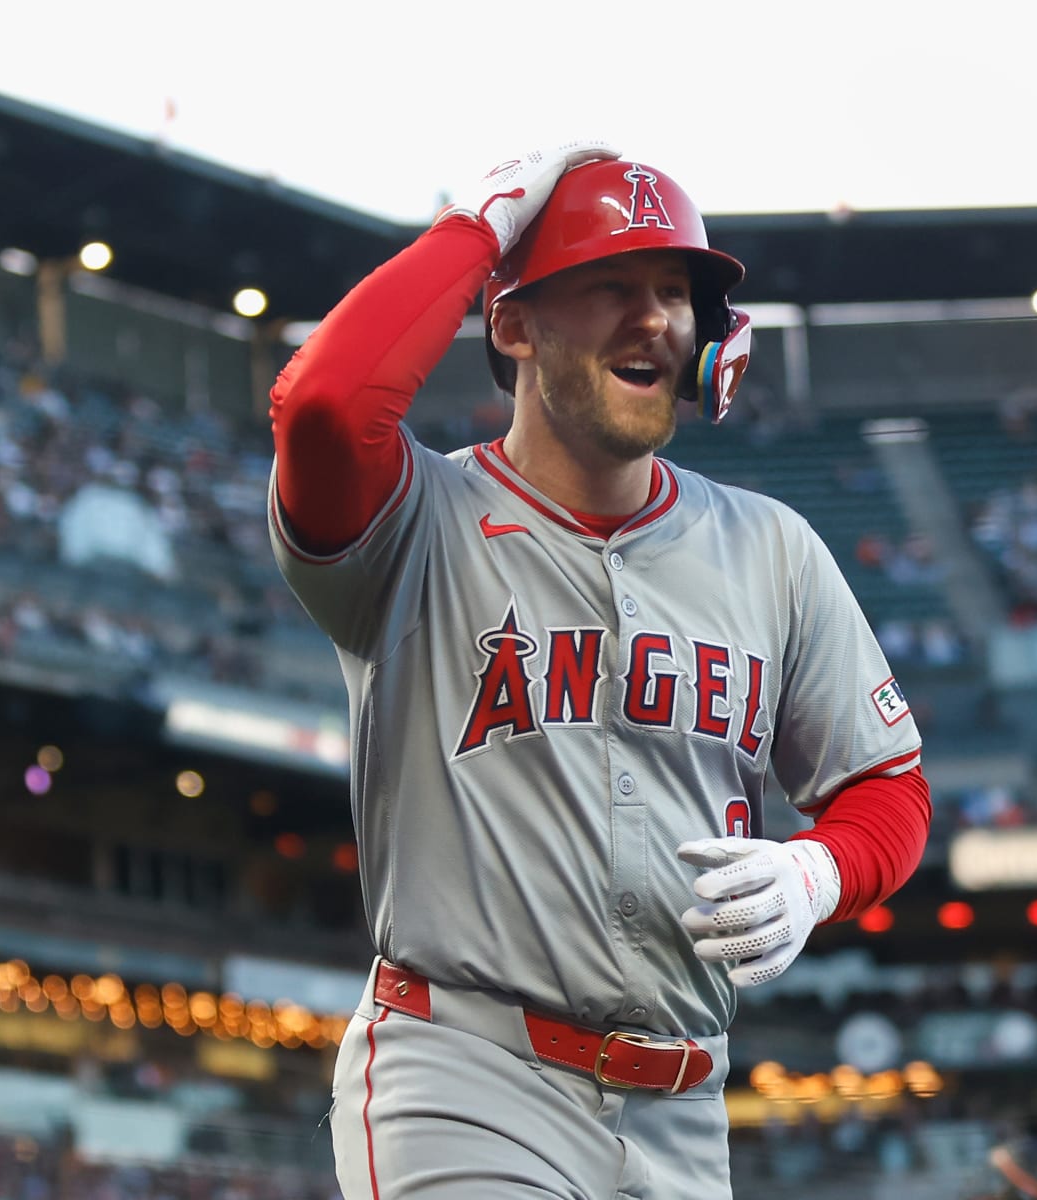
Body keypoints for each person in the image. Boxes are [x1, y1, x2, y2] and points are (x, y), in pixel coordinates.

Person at [267, 140, 931, 1199]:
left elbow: (885, 787)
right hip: (466, 1079)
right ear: (514, 322)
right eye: (611, 286)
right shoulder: (417, 523)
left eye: (675, 292)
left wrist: (819, 874)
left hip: (685, 1116)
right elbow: (326, 407)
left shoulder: (773, 551)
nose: (655, 319)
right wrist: (478, 227)